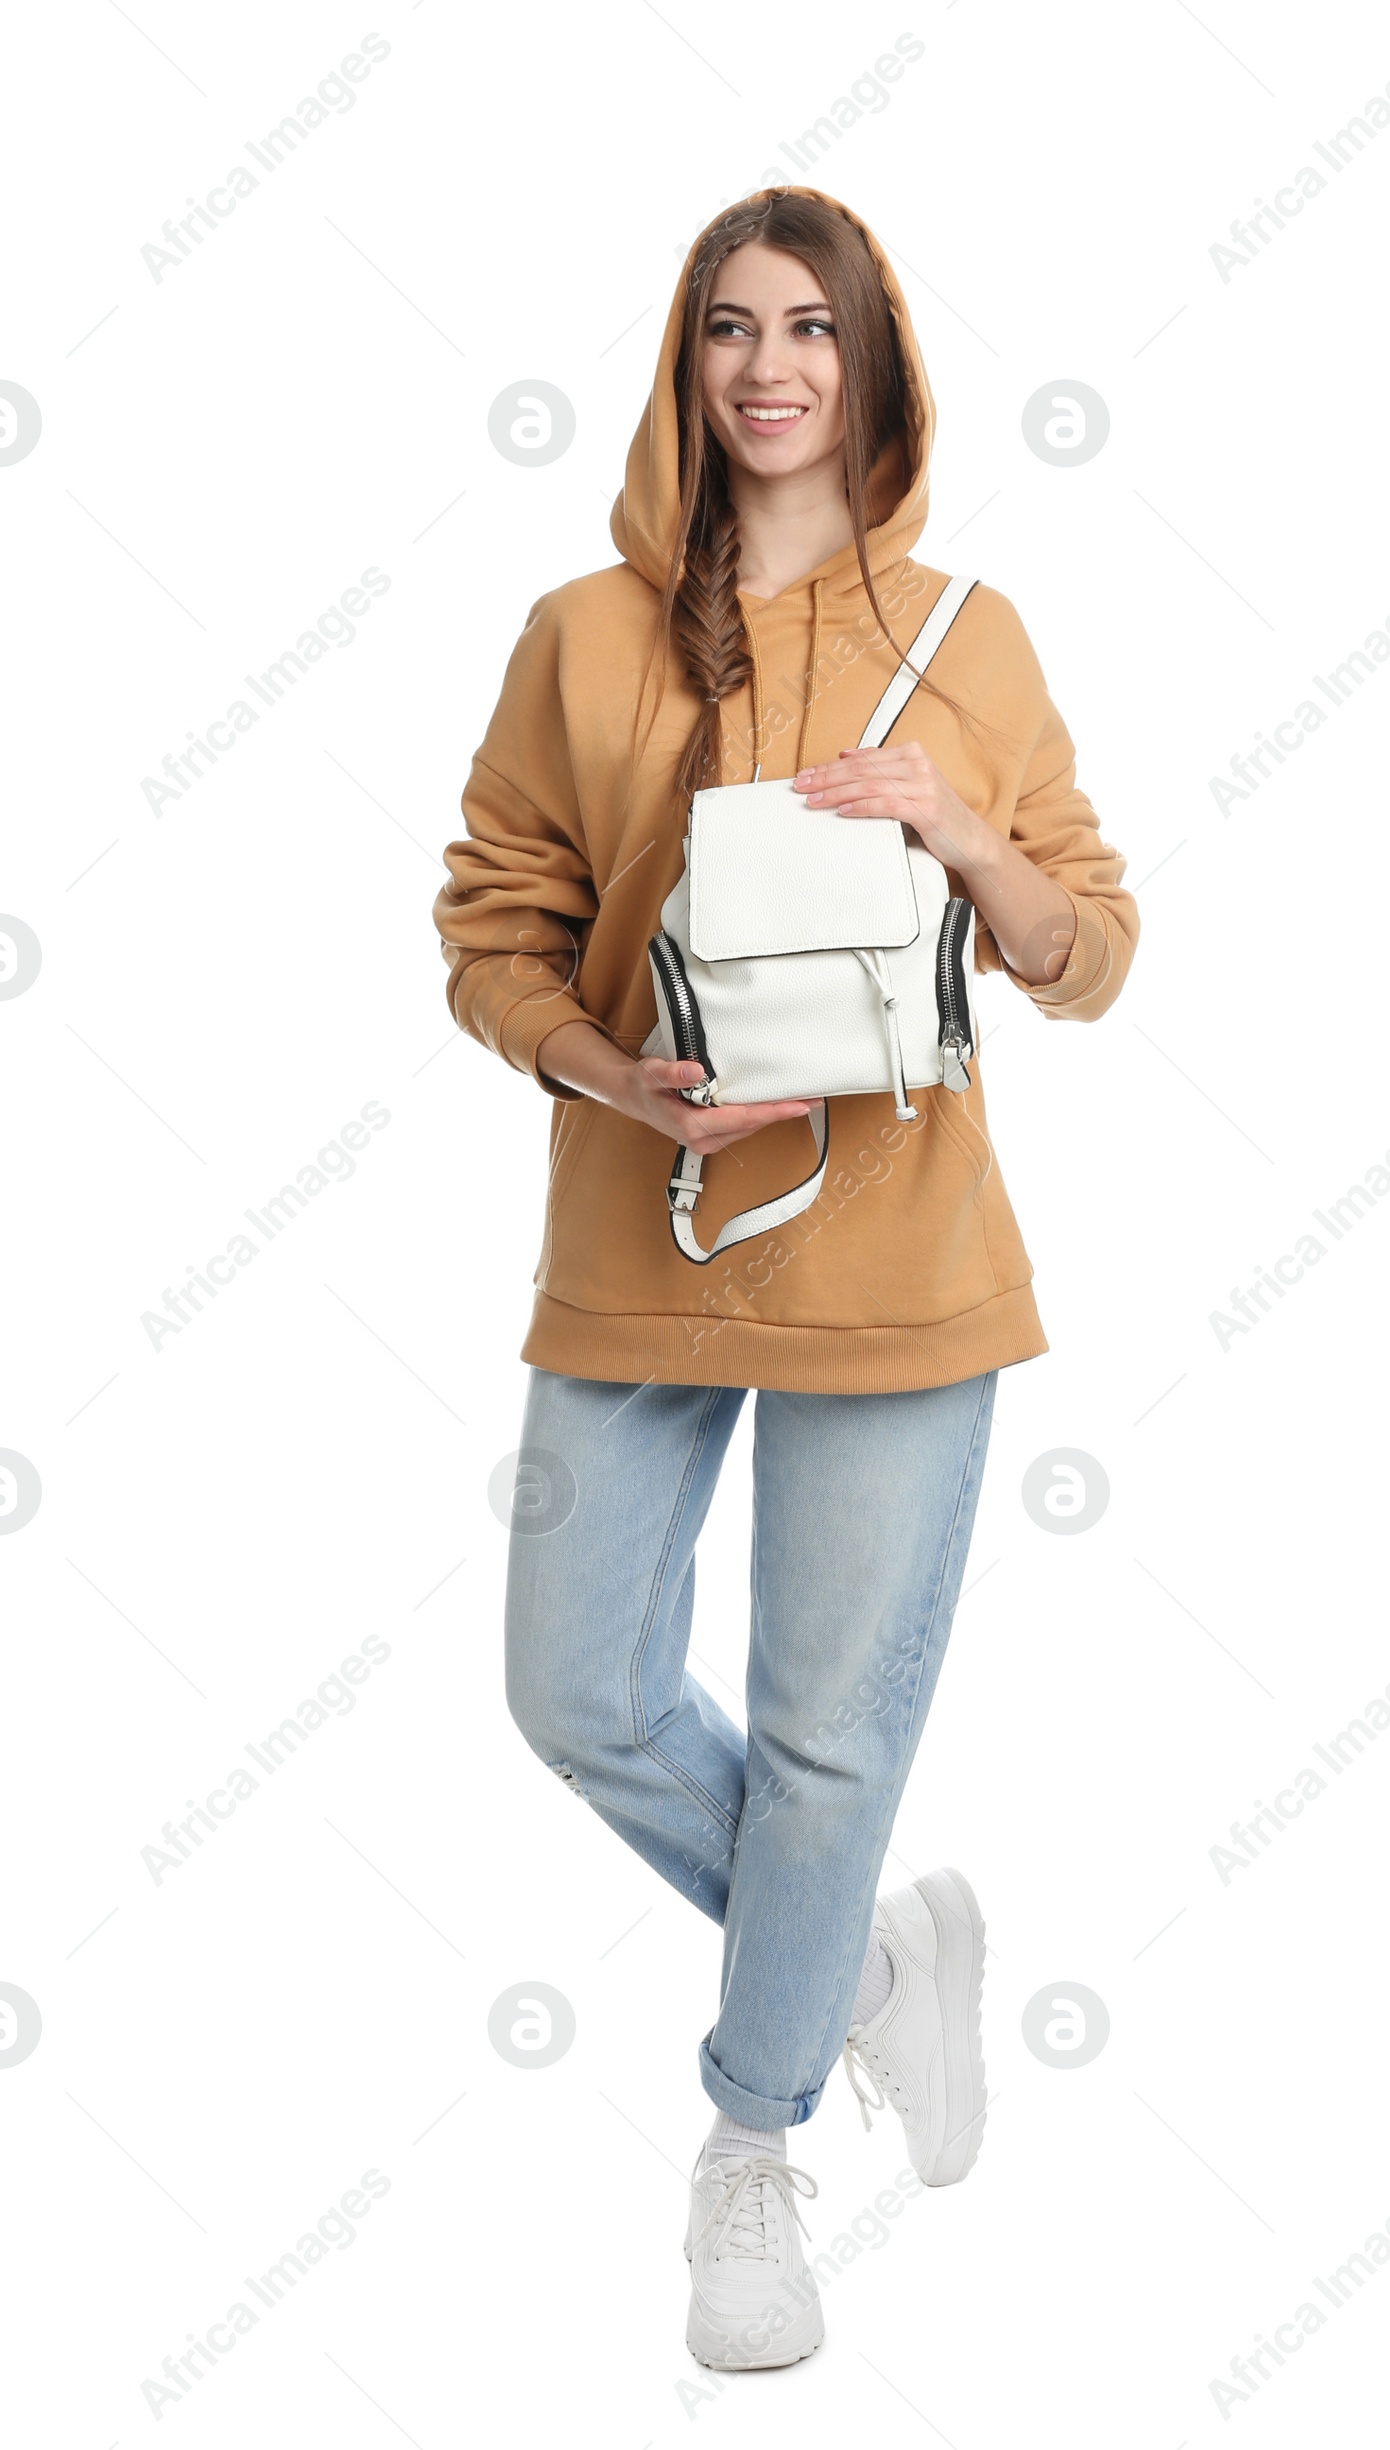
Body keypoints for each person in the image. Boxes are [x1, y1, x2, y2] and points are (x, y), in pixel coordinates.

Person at [433, 185, 1138, 2371]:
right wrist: (605, 1076)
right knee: (577, 1694)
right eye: (729, 327)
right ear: (684, 360)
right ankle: (846, 1971)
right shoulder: (579, 630)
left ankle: (750, 2152)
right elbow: (491, 925)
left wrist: (962, 826)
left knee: (829, 1749)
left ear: (870, 364)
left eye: (808, 329)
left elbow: (1085, 957)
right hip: (637, 1234)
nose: (767, 367)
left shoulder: (971, 630)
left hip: (904, 1259)